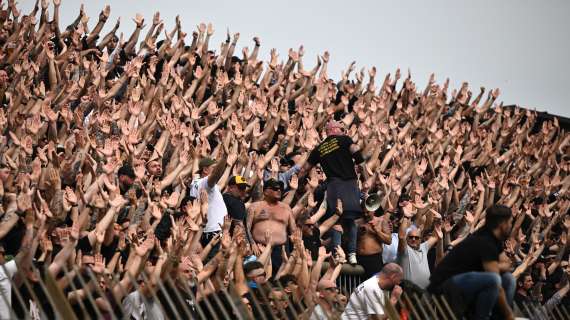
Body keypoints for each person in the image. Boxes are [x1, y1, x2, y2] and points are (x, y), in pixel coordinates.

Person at [428, 205, 516, 320]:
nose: (510, 226)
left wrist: (496, 265)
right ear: (502, 224)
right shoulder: (485, 240)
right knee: (494, 280)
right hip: (445, 285)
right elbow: (496, 283)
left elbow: (508, 265)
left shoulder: (495, 240)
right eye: (510, 222)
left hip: (464, 284)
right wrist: (509, 315)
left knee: (509, 279)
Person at [301, 120, 366, 265]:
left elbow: (305, 168)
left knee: (337, 218)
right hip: (349, 183)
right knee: (351, 220)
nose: (344, 131)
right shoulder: (344, 140)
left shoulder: (319, 148)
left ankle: (337, 252)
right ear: (335, 129)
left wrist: (298, 183)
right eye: (342, 129)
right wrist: (364, 173)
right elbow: (357, 153)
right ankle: (352, 253)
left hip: (333, 185)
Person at [247, 179, 297, 276]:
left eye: (280, 189)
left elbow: (294, 231)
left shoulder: (286, 208)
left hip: (280, 250)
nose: (279, 190)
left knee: (279, 278)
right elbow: (247, 228)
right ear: (265, 191)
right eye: (275, 189)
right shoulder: (254, 207)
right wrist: (252, 243)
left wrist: (296, 248)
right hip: (259, 248)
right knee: (257, 276)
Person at [189, 157, 229, 259]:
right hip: (214, 233)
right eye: (214, 167)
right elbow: (216, 175)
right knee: (214, 265)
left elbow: (220, 184)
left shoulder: (196, 181)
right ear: (205, 170)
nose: (217, 169)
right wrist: (225, 155)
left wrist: (229, 166)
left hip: (207, 231)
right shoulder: (205, 183)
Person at [397, 210, 441, 289]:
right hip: (408, 293)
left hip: (424, 293)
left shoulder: (423, 247)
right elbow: (401, 236)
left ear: (420, 239)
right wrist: (406, 218)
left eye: (417, 238)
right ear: (406, 239)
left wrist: (438, 221)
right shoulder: (405, 250)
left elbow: (435, 236)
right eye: (411, 237)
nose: (414, 239)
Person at [356, 195, 392, 279]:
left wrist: (377, 231)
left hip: (374, 259)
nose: (365, 214)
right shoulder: (357, 223)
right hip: (359, 259)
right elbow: (347, 239)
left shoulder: (381, 221)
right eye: (364, 212)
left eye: (367, 212)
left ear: (373, 210)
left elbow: (389, 240)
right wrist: (358, 233)